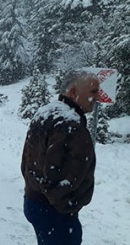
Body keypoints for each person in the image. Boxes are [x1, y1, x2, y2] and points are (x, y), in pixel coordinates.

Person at [21, 70, 100, 245]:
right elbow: (57, 179)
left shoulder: (46, 112)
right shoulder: (71, 126)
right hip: (55, 214)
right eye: (93, 92)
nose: (98, 97)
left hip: (34, 203)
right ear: (73, 92)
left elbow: (27, 163)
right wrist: (68, 207)